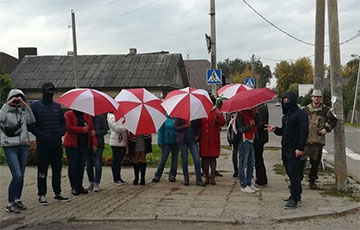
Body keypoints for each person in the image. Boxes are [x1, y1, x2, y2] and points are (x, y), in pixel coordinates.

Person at [266, 92, 309, 209]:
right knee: (290, 173)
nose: (286, 103)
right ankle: (296, 194)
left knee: (294, 173)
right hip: (285, 148)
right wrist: (275, 129)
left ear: (293, 101)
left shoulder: (301, 114)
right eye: (284, 101)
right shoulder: (286, 116)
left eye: (288, 101)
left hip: (295, 149)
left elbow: (304, 131)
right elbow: (284, 131)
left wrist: (300, 148)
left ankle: (294, 198)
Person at [29, 82, 69, 205]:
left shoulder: (57, 107)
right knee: (42, 170)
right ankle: (41, 194)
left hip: (56, 143)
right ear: (43, 91)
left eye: (53, 91)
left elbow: (63, 123)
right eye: (48, 91)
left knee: (57, 170)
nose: (51, 93)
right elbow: (31, 125)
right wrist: (42, 135)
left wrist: (61, 132)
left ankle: (57, 192)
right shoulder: (35, 106)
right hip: (43, 144)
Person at [0, 89, 35, 213]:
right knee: (17, 175)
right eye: (15, 98)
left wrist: (25, 106)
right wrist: (8, 104)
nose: (16, 101)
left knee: (21, 175)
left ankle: (17, 200)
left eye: (19, 99)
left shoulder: (23, 112)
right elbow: (0, 118)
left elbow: (32, 121)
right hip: (10, 147)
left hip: (23, 146)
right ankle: (10, 203)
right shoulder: (5, 112)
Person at [301, 89, 337, 189]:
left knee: (315, 163)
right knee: (300, 162)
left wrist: (326, 128)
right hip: (305, 141)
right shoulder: (305, 110)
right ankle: (297, 181)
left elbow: (333, 122)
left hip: (317, 141)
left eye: (318, 97)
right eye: (315, 97)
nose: (316, 99)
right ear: (311, 97)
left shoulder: (326, 110)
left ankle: (312, 181)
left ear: (321, 99)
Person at [63, 110, 97, 195]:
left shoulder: (87, 115)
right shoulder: (68, 114)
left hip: (84, 144)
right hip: (71, 144)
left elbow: (91, 130)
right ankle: (73, 187)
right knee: (73, 166)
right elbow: (67, 127)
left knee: (81, 166)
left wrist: (94, 143)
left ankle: (79, 186)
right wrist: (81, 129)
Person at [199, 96, 225, 185]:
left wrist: (219, 116)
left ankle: (213, 177)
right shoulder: (202, 111)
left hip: (213, 139)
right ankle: (206, 177)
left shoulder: (216, 111)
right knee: (205, 158)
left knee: (212, 158)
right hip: (204, 139)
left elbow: (222, 123)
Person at [174, 118, 205, 187]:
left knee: (197, 159)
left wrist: (197, 135)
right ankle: (186, 178)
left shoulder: (195, 116)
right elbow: (176, 128)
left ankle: (198, 178)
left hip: (192, 140)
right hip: (183, 141)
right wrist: (185, 126)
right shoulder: (180, 116)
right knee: (184, 160)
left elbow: (199, 126)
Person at [234, 109, 259, 193]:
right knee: (243, 163)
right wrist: (250, 126)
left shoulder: (251, 114)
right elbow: (240, 129)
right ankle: (243, 184)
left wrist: (257, 114)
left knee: (251, 163)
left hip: (251, 139)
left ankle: (249, 182)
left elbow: (259, 124)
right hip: (244, 140)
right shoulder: (240, 114)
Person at [152, 115, 179, 183]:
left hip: (176, 142)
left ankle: (172, 175)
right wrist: (160, 142)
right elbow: (160, 131)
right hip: (166, 143)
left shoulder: (178, 118)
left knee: (174, 160)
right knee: (163, 159)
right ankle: (157, 176)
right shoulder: (164, 118)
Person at [86, 113, 107, 192]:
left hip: (99, 143)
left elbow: (105, 130)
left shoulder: (100, 117)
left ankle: (96, 182)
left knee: (98, 164)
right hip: (88, 144)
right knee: (88, 165)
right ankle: (91, 181)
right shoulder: (86, 117)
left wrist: (96, 132)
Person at [108, 113, 128, 186]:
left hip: (123, 142)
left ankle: (119, 177)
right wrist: (126, 126)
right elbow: (117, 128)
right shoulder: (112, 117)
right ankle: (116, 178)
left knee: (119, 161)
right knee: (116, 161)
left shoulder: (121, 116)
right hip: (116, 142)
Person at [254, 104, 269, 187]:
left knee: (258, 159)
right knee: (258, 158)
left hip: (259, 138)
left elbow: (260, 124)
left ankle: (261, 179)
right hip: (261, 137)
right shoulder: (262, 107)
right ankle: (261, 178)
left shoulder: (260, 109)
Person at [227, 112, 239, 178]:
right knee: (235, 154)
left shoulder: (232, 118)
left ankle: (237, 170)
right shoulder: (232, 118)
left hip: (237, 138)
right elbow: (230, 129)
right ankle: (236, 170)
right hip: (235, 139)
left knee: (237, 154)